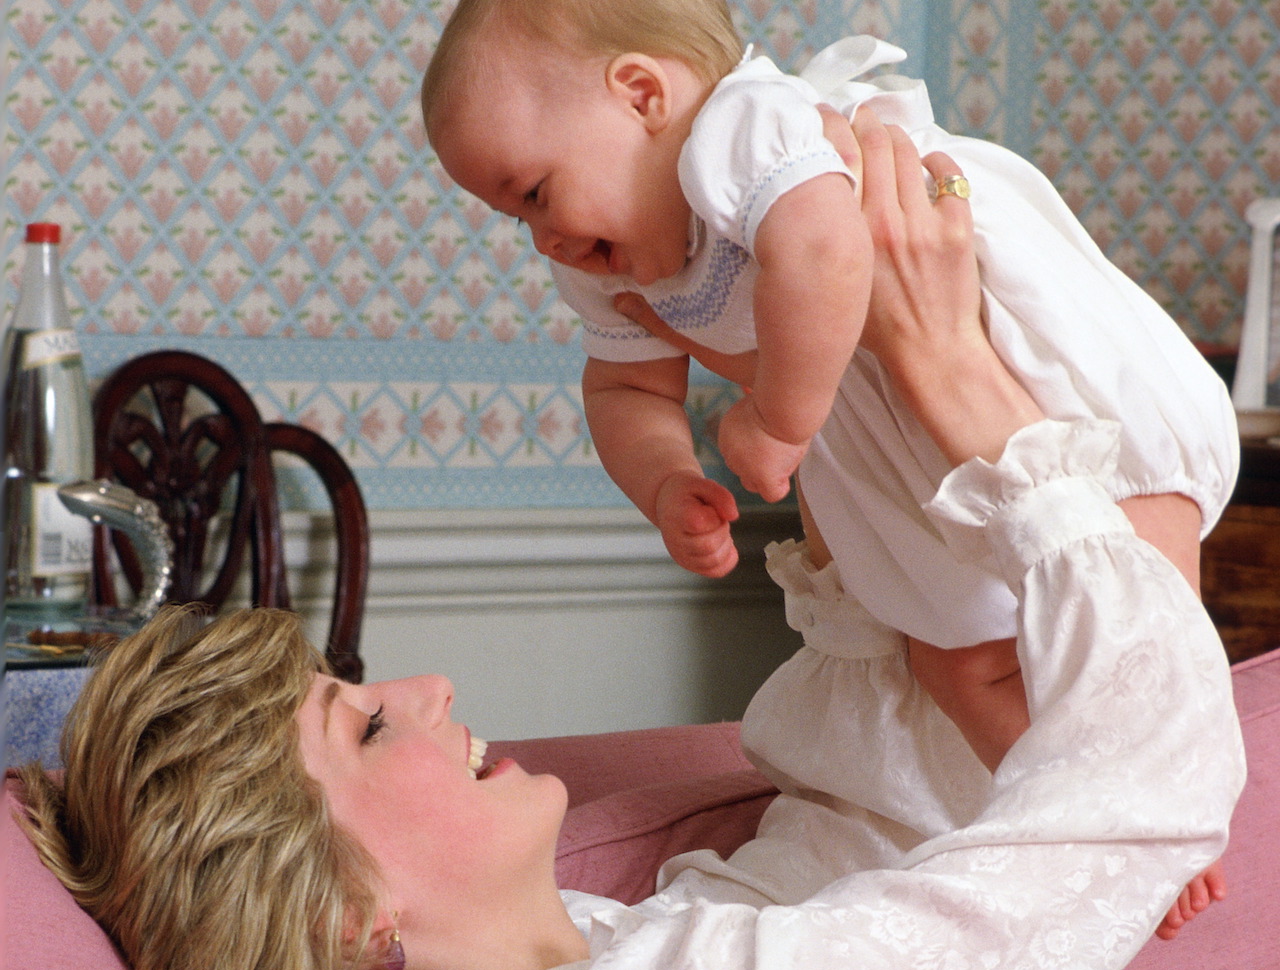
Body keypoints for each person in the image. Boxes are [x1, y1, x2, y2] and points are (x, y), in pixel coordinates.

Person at [15, 115, 1245, 970]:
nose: (430, 689)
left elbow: (879, 833)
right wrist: (976, 408)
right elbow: (1137, 805)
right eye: (370, 728)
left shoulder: (617, 940)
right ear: (351, 918)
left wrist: (855, 491)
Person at [419, 0, 1238, 784]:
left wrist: (777, 420)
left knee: (1130, 558)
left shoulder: (737, 132)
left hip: (1003, 346)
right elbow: (625, 387)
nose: (545, 239)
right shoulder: (606, 263)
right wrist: (665, 479)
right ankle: (1081, 813)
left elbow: (826, 254)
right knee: (951, 655)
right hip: (884, 429)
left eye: (534, 193)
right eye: (514, 220)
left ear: (642, 96)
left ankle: (1174, 781)